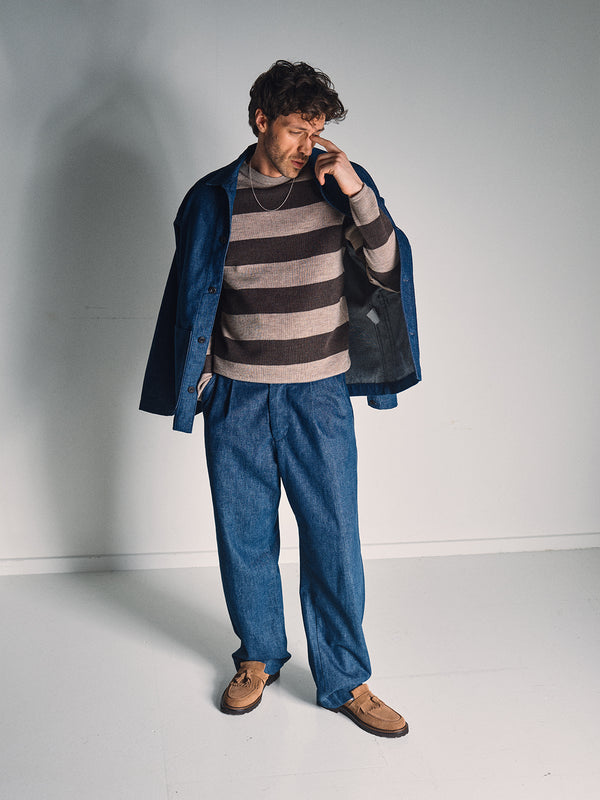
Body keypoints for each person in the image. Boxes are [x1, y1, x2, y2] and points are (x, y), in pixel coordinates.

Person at [140, 60, 421, 738]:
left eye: (319, 131)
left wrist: (354, 187)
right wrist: (200, 376)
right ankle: (258, 656)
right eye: (299, 130)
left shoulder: (340, 187)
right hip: (237, 394)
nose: (311, 146)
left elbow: (388, 267)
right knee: (244, 537)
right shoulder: (212, 198)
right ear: (261, 121)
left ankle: (346, 678)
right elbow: (191, 293)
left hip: (318, 393)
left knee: (333, 538)